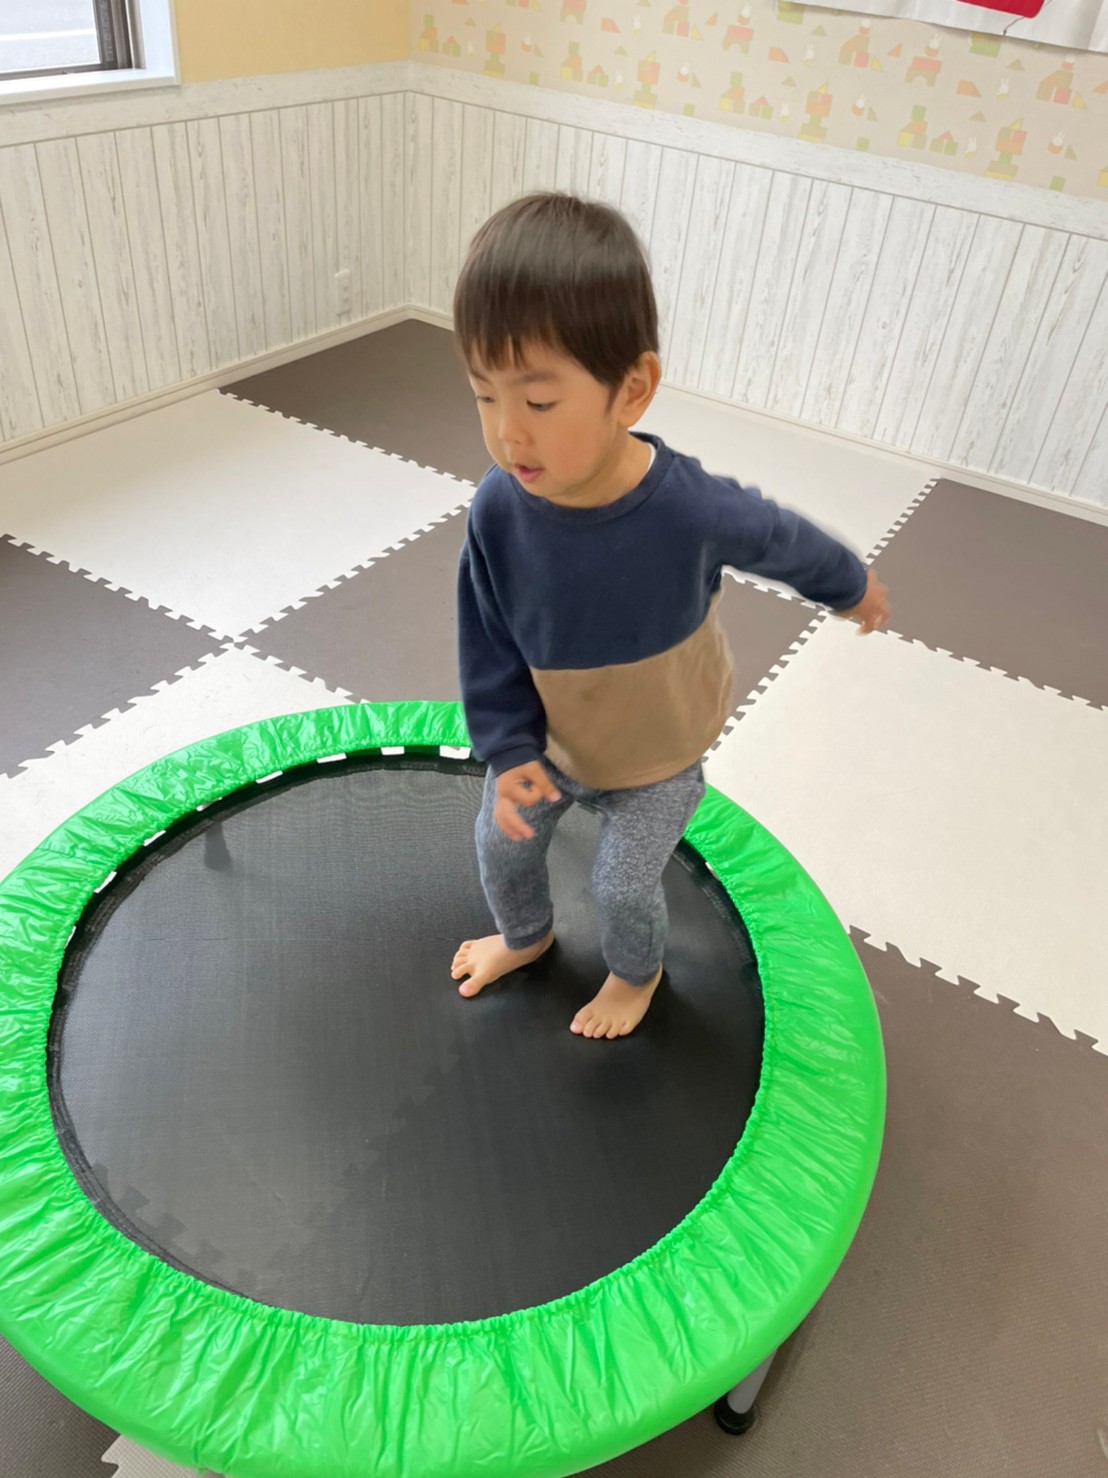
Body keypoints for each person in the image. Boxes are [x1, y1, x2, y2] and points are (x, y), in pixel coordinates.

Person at [450, 192, 890, 1040]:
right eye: (483, 396)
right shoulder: (498, 509)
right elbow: (488, 636)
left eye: (538, 403)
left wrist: (847, 584)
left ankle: (636, 975)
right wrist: (508, 749)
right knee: (500, 842)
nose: (508, 434)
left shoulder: (685, 507)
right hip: (555, 742)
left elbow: (774, 534)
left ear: (632, 391)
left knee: (621, 887)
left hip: (657, 754)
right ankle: (526, 935)